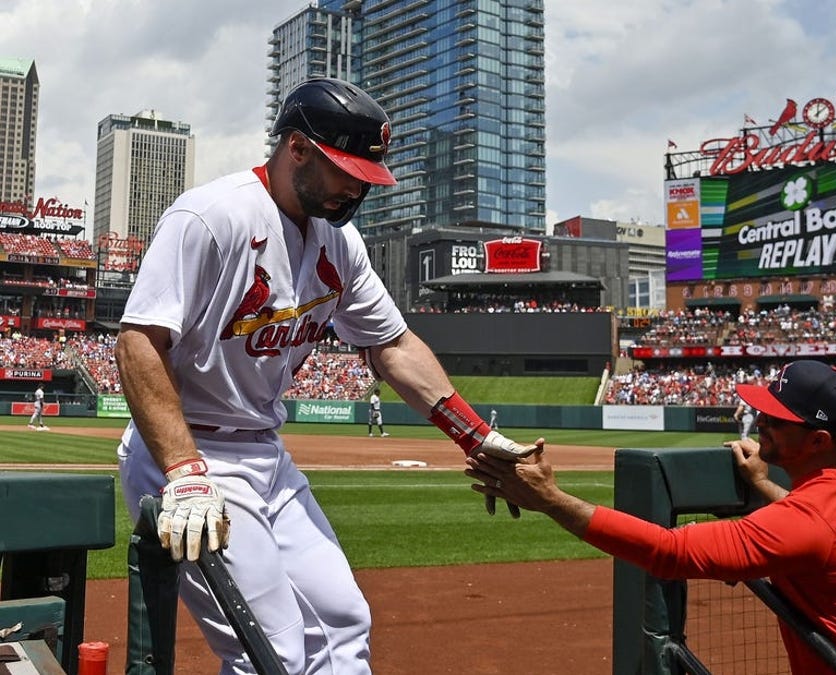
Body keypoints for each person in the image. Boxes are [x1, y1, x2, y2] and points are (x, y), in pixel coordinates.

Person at [114, 77, 539, 675]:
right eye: (344, 170)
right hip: (188, 451)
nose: (355, 188)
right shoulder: (213, 216)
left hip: (265, 453)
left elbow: (391, 345)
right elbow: (138, 341)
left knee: (344, 623)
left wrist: (475, 435)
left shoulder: (342, 244)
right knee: (272, 651)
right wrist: (184, 471)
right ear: (295, 148)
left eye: (366, 176)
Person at [467, 360, 836, 674]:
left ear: (819, 441)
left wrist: (552, 500)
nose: (759, 423)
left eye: (775, 420)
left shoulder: (809, 522)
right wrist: (760, 482)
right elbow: (820, 530)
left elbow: (667, 551)